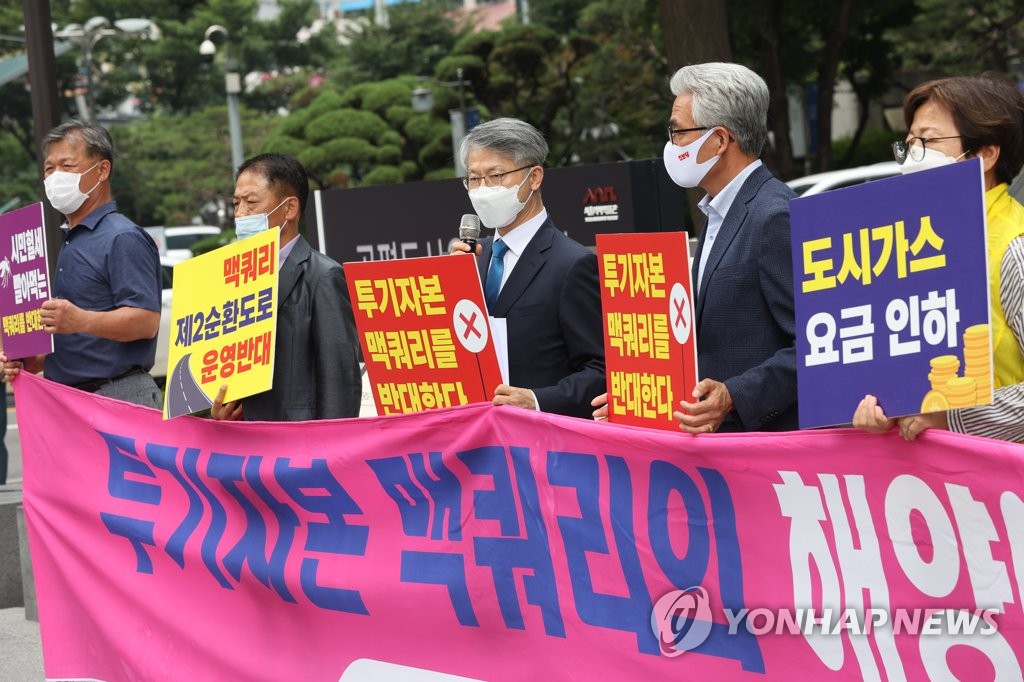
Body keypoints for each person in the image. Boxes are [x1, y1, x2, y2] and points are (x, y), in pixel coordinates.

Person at [592, 62, 799, 433]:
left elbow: (816, 344)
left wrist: (734, 395)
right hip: (716, 454)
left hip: (765, 454)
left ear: (719, 140)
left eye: (678, 132)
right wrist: (640, 399)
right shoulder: (719, 211)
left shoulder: (774, 216)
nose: (671, 145)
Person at [853, 76, 1024, 442]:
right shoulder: (907, 247)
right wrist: (885, 408)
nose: (914, 154)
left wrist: (954, 418)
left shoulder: (1014, 246)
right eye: (909, 142)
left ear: (984, 154)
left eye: (928, 141)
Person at [1, 120, 163, 408]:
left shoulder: (121, 236)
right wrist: (27, 359)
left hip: (117, 394)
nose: (55, 177)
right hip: (72, 399)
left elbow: (145, 321)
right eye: (50, 169)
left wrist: (80, 320)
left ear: (102, 170)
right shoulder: (73, 240)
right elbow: (76, 338)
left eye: (67, 165)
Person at [450, 118, 605, 419]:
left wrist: (536, 399)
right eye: (474, 179)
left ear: (534, 178)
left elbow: (601, 371)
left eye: (495, 176)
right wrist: (451, 287)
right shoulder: (473, 259)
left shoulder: (572, 264)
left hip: (544, 445)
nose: (482, 190)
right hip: (477, 440)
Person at [212, 153, 361, 421]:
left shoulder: (323, 276)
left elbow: (340, 378)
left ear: (289, 208)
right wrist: (221, 407)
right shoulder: (231, 281)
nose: (241, 214)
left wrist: (331, 446)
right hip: (246, 439)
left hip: (299, 442)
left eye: (251, 203)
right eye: (236, 203)